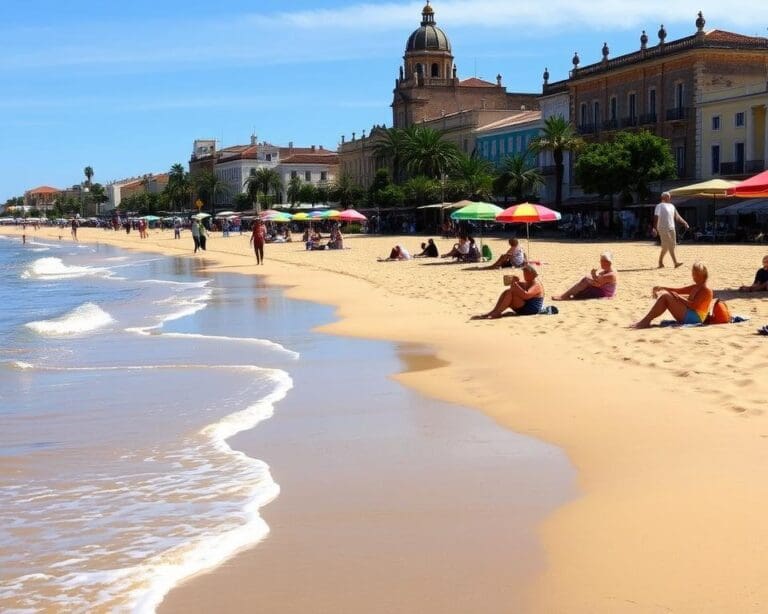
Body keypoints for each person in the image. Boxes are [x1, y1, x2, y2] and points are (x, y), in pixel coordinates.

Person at [632, 261, 713, 328]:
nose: (694, 277)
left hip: (695, 318)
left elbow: (693, 306)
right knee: (666, 296)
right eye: (693, 274)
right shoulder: (697, 286)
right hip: (690, 314)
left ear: (703, 275)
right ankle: (645, 321)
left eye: (696, 275)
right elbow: (679, 290)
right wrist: (662, 287)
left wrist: (678, 297)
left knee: (666, 296)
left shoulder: (706, 290)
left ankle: (645, 321)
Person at [472, 264, 544, 319]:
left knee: (510, 293)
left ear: (531, 274)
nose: (524, 275)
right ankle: (494, 311)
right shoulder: (528, 282)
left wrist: (515, 284)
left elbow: (526, 295)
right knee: (507, 292)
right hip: (526, 306)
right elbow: (515, 288)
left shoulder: (536, 284)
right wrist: (515, 282)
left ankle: (497, 312)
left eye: (526, 273)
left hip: (531, 309)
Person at [552, 252, 617, 300]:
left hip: (604, 293)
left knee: (585, 281)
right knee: (585, 283)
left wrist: (592, 275)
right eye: (601, 261)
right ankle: (566, 295)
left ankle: (564, 296)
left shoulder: (611, 274)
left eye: (603, 261)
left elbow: (598, 284)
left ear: (609, 263)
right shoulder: (607, 271)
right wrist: (592, 275)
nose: (601, 263)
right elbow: (598, 279)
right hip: (601, 290)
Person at [653, 192, 689, 268]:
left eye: (669, 197)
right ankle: (675, 262)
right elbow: (656, 217)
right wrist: (655, 228)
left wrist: (685, 223)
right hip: (663, 228)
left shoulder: (672, 206)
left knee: (667, 246)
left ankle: (660, 262)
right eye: (668, 197)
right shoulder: (659, 206)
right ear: (663, 197)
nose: (669, 198)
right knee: (670, 245)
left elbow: (677, 216)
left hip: (672, 227)